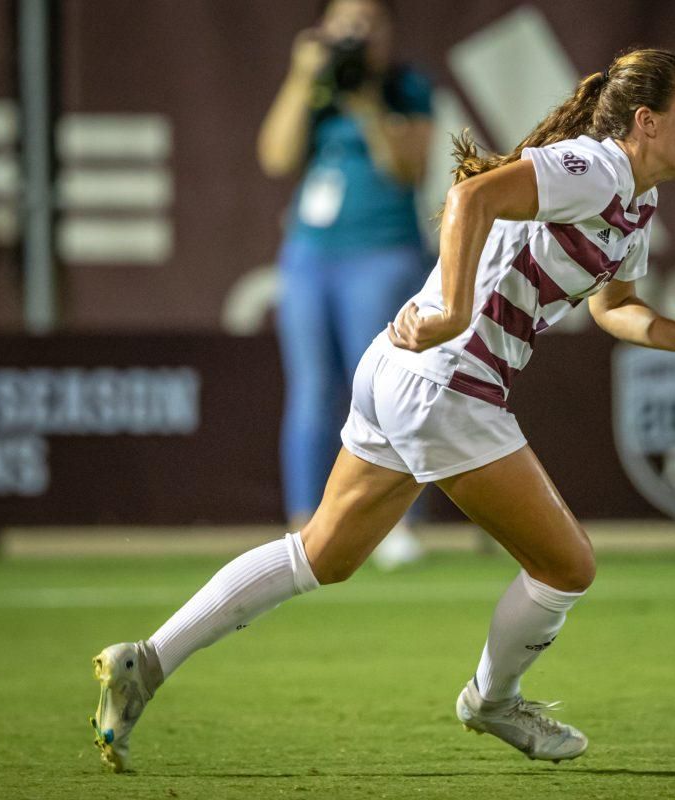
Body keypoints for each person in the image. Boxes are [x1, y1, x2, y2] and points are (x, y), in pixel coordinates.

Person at [90, 47, 675, 773]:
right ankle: (492, 700)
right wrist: (454, 309)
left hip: (404, 374)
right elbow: (472, 198)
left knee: (321, 555)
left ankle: (147, 660)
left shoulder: (637, 201)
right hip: (447, 383)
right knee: (568, 567)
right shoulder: (598, 168)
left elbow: (616, 306)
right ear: (646, 122)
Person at [257, 0, 432, 568]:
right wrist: (302, 74)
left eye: (368, 23)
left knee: (385, 389)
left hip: (382, 256)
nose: (356, 34)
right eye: (344, 23)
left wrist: (367, 105)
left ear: (388, 32)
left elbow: (408, 168)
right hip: (310, 257)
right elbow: (276, 156)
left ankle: (394, 524)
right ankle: (304, 525)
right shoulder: (317, 88)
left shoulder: (406, 88)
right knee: (309, 389)